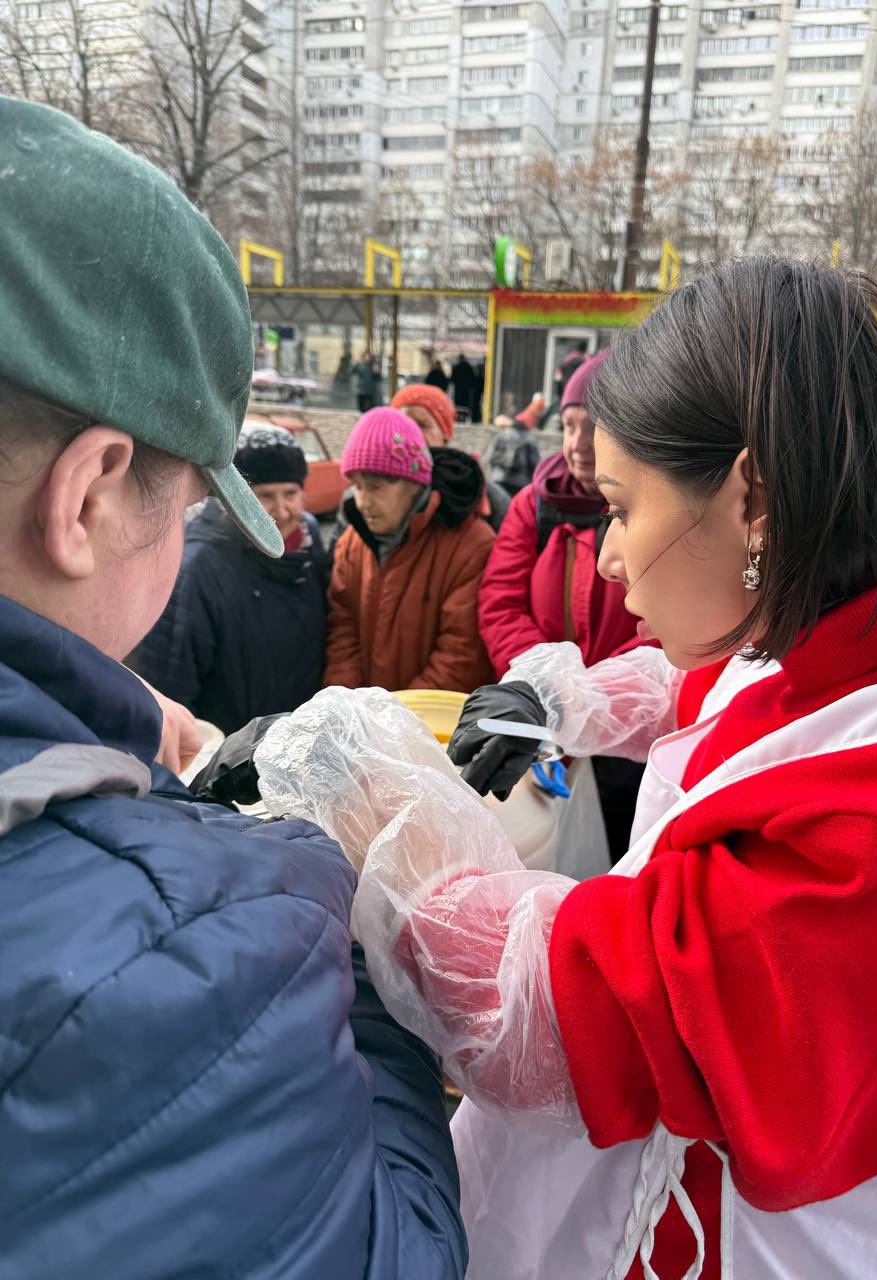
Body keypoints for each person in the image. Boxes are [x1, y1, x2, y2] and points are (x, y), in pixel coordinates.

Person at [244, 258, 877, 1280]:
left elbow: (545, 1016)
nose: (612, 556)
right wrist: (560, 697)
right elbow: (714, 687)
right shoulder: (870, 618)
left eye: (621, 508)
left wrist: (358, 787)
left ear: (752, 496)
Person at [0, 96, 466, 1280]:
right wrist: (345, 941)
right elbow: (397, 1247)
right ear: (89, 494)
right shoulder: (211, 956)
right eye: (192, 504)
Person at [478, 352, 646, 858]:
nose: (576, 445)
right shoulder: (536, 505)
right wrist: (550, 689)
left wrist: (595, 698)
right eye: (569, 426)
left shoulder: (654, 507)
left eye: (594, 429)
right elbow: (500, 603)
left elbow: (663, 627)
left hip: (629, 732)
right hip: (545, 721)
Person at [130, 422, 329, 736]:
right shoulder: (199, 567)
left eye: (291, 494)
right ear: (238, 499)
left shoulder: (309, 547)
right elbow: (170, 682)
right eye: (265, 495)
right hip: (234, 751)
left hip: (298, 740)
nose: (281, 510)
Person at [324, 408, 494, 692]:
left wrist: (398, 713)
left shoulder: (471, 545)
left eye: (376, 487)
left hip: (432, 715)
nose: (364, 502)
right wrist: (347, 704)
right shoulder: (351, 543)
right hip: (361, 713)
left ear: (414, 484)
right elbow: (342, 629)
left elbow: (462, 654)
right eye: (358, 487)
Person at [391, 383, 511, 530]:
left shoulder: (482, 494)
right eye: (403, 425)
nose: (412, 434)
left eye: (422, 425)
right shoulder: (377, 486)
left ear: (445, 433)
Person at [484, 394, 543, 498]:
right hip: (521, 484)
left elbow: (489, 457)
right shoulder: (529, 439)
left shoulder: (500, 435)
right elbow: (536, 465)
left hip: (498, 480)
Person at [450, 353, 475, 421]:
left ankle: (458, 418)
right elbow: (472, 379)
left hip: (458, 390)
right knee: (465, 405)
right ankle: (464, 418)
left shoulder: (456, 368)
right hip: (466, 391)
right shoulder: (468, 368)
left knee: (458, 406)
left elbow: (452, 379)